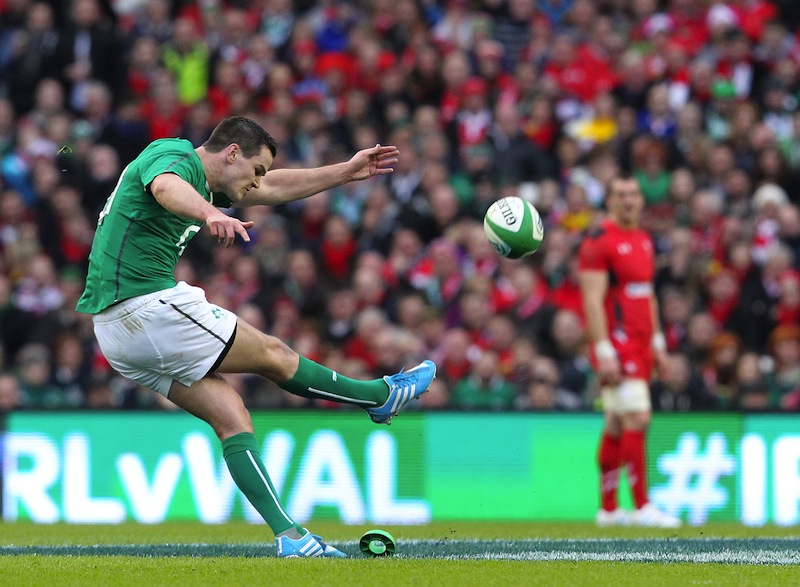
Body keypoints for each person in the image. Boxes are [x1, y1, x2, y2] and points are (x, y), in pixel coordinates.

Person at [74, 116, 436, 557]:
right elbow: (166, 187)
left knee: (233, 420)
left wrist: (345, 171)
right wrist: (210, 213)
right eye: (256, 168)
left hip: (116, 333)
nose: (257, 181)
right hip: (143, 306)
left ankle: (291, 537)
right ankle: (377, 396)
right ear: (231, 153)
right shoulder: (174, 157)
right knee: (273, 353)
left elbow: (273, 189)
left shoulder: (213, 183)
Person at [577, 175, 681, 528]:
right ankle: (642, 507)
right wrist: (603, 347)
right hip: (617, 342)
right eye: (620, 194)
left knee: (617, 423)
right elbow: (591, 299)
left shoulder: (644, 240)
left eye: (634, 193)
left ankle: (608, 510)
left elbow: (645, 294)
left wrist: (658, 342)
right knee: (638, 417)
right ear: (608, 200)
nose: (629, 200)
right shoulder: (598, 241)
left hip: (640, 340)